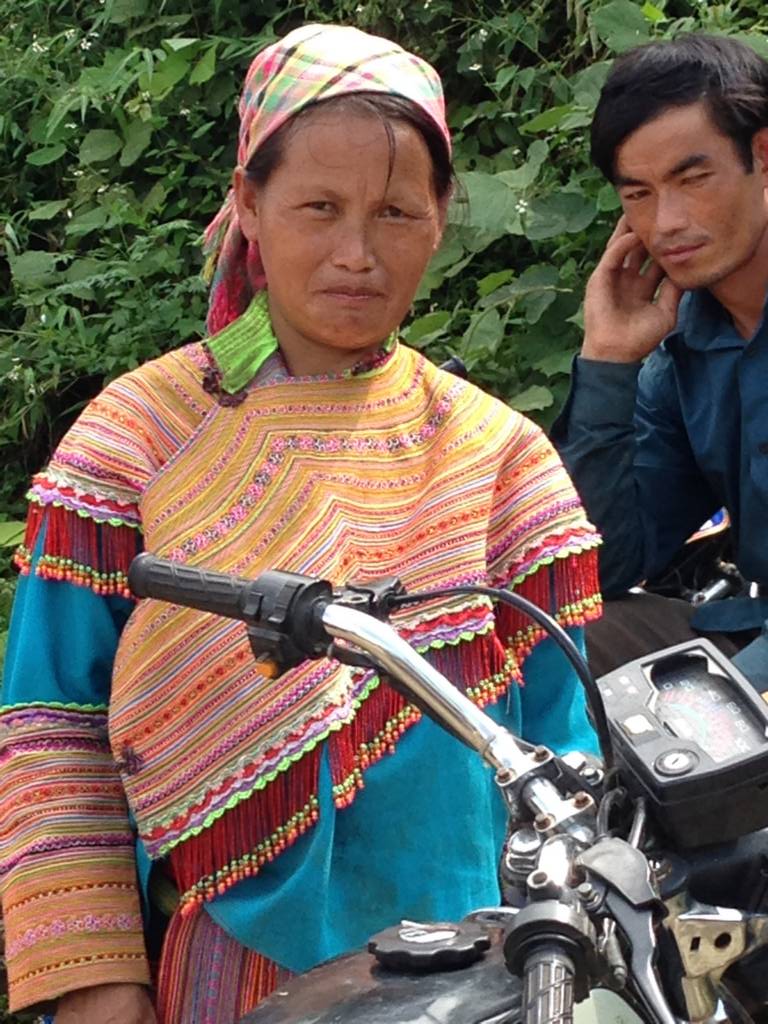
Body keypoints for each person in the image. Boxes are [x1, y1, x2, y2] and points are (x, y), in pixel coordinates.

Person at [0, 23, 601, 1024]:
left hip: (479, 969)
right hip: (226, 967)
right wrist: (98, 980)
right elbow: (49, 723)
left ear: (441, 219)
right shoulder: (138, 439)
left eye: (395, 212)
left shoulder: (498, 458)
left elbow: (563, 749)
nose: (356, 254)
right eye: (318, 207)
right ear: (248, 203)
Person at [551, 32, 768, 678]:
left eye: (692, 179)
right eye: (638, 194)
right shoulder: (684, 352)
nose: (667, 222)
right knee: (546, 643)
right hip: (749, 632)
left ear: (763, 156)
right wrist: (609, 360)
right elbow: (600, 569)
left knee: (703, 726)